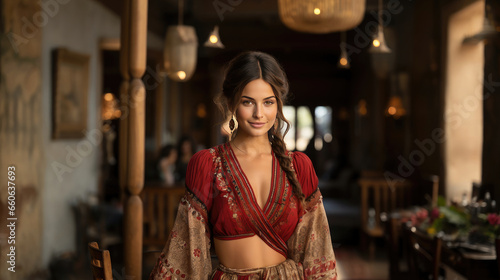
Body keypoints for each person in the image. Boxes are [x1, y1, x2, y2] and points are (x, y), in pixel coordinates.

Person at [149, 51, 337, 280]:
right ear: (231, 103)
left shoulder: (299, 167)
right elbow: (188, 251)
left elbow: (318, 254)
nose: (259, 114)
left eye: (268, 102)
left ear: (278, 105)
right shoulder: (208, 165)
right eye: (248, 102)